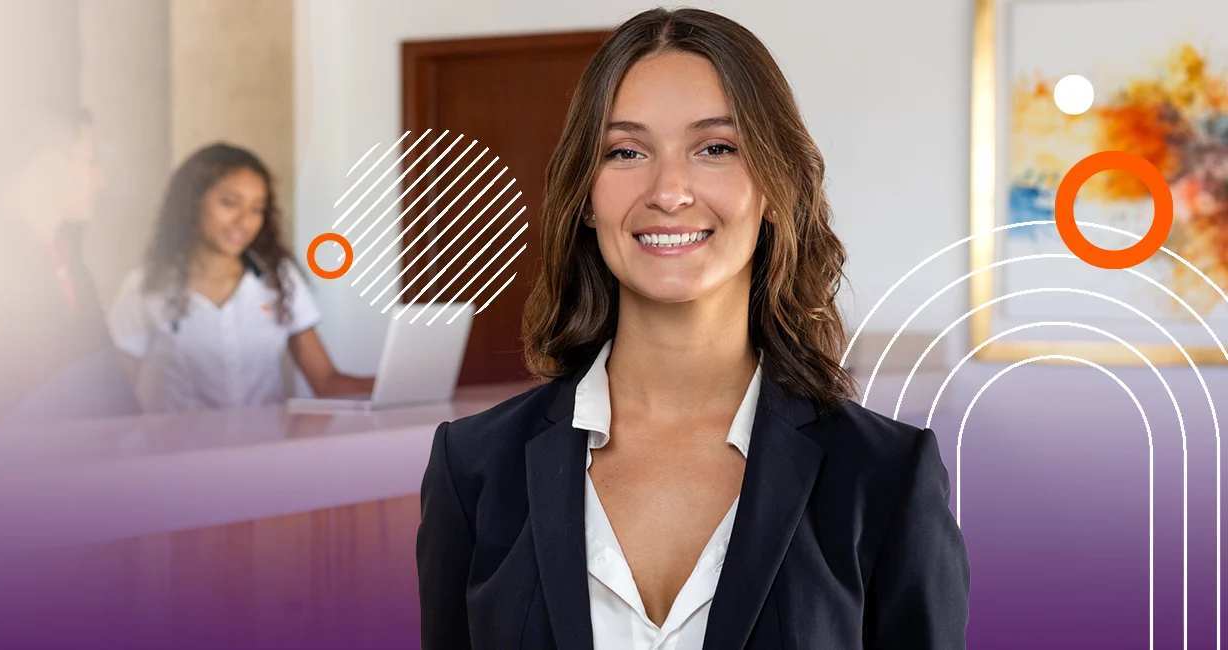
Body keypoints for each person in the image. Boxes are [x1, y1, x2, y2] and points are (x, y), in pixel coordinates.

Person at [415, 7, 969, 650]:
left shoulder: (885, 477)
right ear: (586, 198)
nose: (669, 191)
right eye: (626, 151)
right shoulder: (475, 467)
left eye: (715, 148)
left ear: (774, 186)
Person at [108, 143, 374, 412]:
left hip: (264, 449)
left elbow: (327, 382)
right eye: (229, 203)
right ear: (192, 203)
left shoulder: (280, 279)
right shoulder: (144, 288)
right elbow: (117, 400)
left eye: (257, 209)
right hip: (177, 452)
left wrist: (400, 383)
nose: (244, 221)